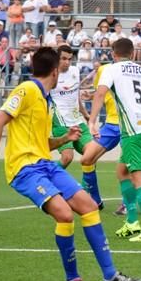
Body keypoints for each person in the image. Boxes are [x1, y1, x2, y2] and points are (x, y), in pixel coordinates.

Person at [0, 46, 141, 281]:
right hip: (24, 169)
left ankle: (111, 277)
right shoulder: (26, 90)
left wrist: (64, 137)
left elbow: (41, 143)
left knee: (87, 206)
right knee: (65, 214)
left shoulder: (45, 99)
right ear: (55, 72)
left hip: (44, 163)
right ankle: (73, 280)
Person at [88, 38, 141, 243]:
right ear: (134, 53)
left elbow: (100, 93)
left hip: (133, 130)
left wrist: (92, 121)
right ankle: (131, 222)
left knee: (138, 175)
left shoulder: (112, 69)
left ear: (114, 53)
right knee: (122, 171)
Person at [50, 46, 104, 208]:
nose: (67, 62)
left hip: (78, 121)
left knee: (91, 154)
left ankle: (91, 195)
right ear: (57, 59)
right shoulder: (51, 75)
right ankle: (45, 181)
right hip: (60, 122)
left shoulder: (75, 71)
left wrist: (86, 115)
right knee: (67, 158)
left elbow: (75, 96)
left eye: (69, 58)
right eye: (63, 58)